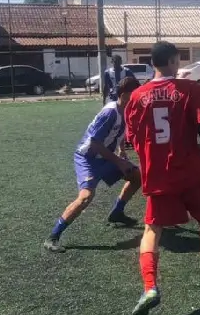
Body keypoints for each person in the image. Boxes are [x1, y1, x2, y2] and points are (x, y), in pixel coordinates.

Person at [124, 41, 200, 315]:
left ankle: (151, 287)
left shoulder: (138, 95)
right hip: (191, 169)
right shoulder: (189, 89)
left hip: (158, 174)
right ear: (174, 60)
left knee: (152, 231)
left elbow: (131, 138)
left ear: (153, 63)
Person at [43, 76, 142, 253]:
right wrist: (118, 161)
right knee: (86, 197)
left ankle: (117, 212)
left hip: (106, 157)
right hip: (88, 158)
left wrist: (121, 151)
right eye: (135, 95)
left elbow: (117, 132)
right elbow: (95, 143)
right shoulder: (110, 112)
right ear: (125, 95)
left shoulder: (125, 110)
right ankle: (53, 236)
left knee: (136, 176)